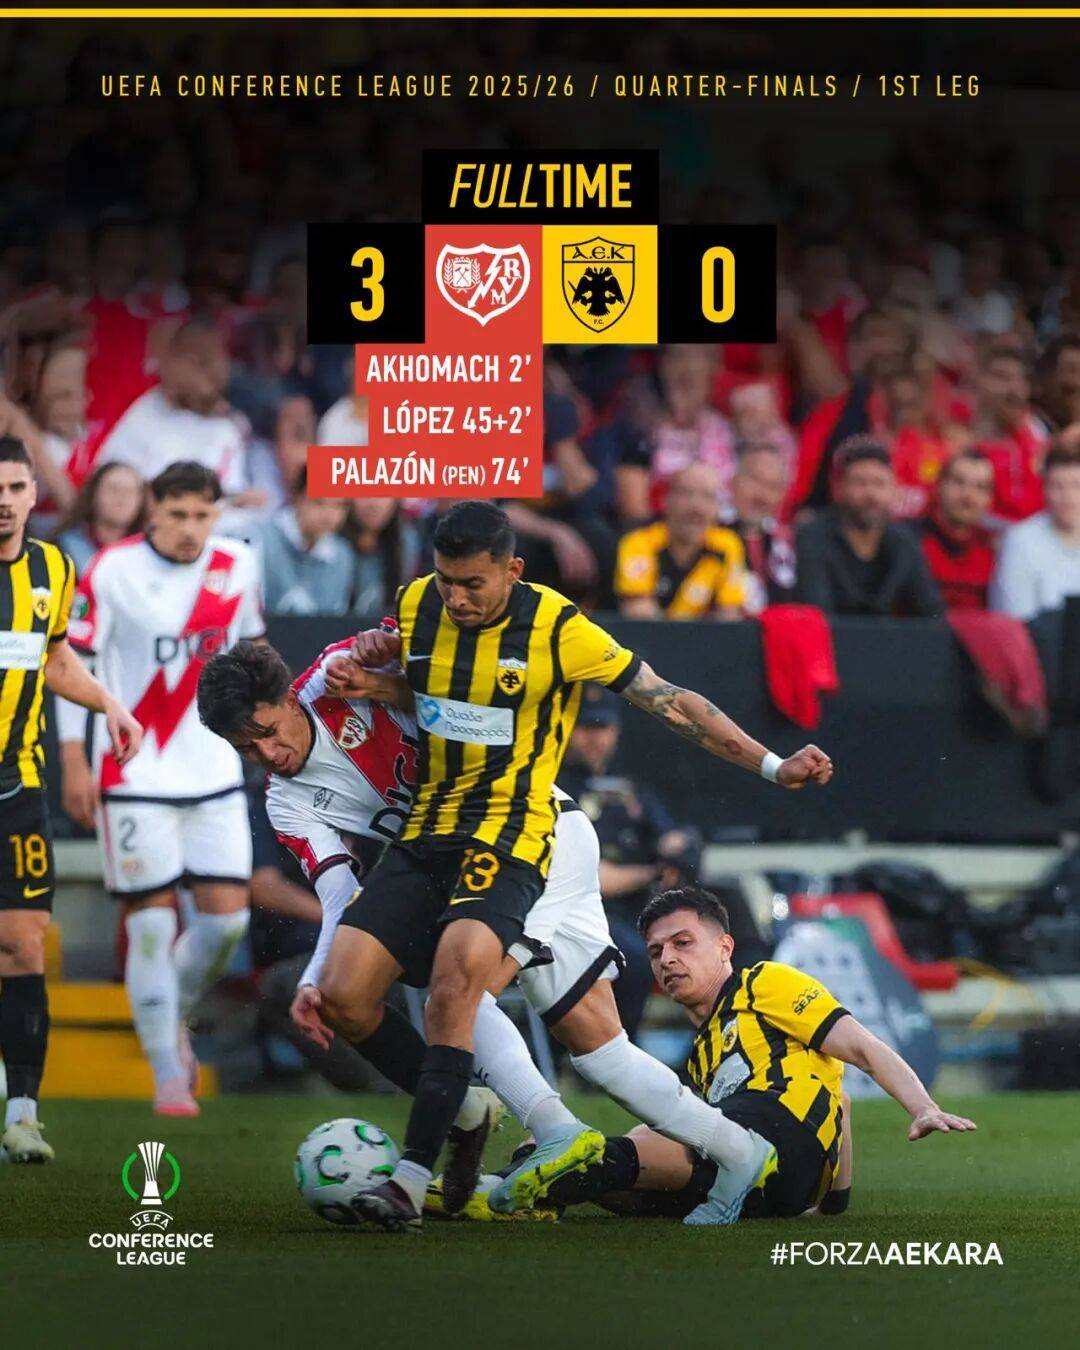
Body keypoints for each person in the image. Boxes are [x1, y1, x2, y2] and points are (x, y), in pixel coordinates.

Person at [316, 500, 833, 1232]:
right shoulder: (416, 606)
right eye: (445, 581)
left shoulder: (558, 627)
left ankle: (415, 1173)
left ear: (513, 571)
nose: (455, 598)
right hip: (429, 829)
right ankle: (727, 1150)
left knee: (457, 988)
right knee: (357, 998)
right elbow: (438, 695)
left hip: (519, 835)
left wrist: (773, 765)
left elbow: (672, 704)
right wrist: (374, 684)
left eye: (472, 584)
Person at [197, 634, 813, 1228]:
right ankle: (740, 1153)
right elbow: (340, 898)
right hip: (489, 863)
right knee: (601, 1052)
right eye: (245, 748)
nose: (267, 754)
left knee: (455, 990)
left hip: (536, 835)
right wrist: (315, 976)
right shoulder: (284, 800)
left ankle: (546, 1131)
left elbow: (455, 682)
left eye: (268, 732)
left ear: (288, 697)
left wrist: (390, 666)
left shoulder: (343, 675)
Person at [543, 887, 976, 1225]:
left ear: (725, 948)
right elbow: (839, 1102)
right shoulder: (702, 1054)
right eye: (656, 952)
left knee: (622, 1149)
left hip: (777, 1143)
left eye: (682, 943)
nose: (668, 959)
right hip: (774, 1189)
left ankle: (535, 1173)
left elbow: (863, 1047)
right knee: (617, 1185)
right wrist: (833, 1201)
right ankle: (546, 1167)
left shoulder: (764, 983)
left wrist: (922, 1107)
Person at [55, 461, 264, 1117]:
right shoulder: (111, 570)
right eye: (177, 514)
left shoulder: (237, 564)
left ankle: (171, 1011)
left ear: (217, 514)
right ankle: (167, 1075)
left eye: (202, 515)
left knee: (226, 925)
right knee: (150, 926)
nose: (189, 528)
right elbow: (73, 665)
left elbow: (250, 657)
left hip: (214, 772)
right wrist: (74, 762)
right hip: (133, 771)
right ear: (153, 509)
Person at [0, 435, 142, 1163]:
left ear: (34, 494)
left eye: (15, 488)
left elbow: (54, 656)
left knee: (24, 944)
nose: (3, 502)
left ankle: (22, 1115)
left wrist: (109, 703)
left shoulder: (54, 568)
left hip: (17, 787)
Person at [557, 687, 690, 1043]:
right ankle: (616, 1050)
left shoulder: (631, 788)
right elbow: (590, 878)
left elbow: (672, 838)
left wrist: (679, 851)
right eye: (585, 728)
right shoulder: (554, 788)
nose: (595, 739)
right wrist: (652, 872)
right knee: (632, 956)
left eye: (603, 728)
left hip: (640, 910)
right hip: (580, 914)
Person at [796, 438, 943, 617]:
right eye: (860, 483)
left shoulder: (904, 542)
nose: (871, 495)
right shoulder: (813, 536)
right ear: (838, 488)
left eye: (879, 484)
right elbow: (816, 613)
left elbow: (931, 613)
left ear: (894, 490)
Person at [614, 463, 746, 620]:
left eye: (708, 497)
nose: (697, 507)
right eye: (687, 493)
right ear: (666, 499)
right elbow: (638, 612)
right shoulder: (638, 542)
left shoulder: (727, 545)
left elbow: (729, 614)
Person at [990, 444, 1080, 620]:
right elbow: (1015, 617)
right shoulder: (1020, 541)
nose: (1068, 497)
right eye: (1057, 486)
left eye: (1076, 486)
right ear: (1044, 489)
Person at [257, 468, 359, 615]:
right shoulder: (261, 539)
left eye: (339, 505)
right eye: (319, 502)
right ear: (297, 497)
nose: (329, 515)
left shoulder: (343, 555)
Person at [915, 451, 997, 610]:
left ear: (990, 498)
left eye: (980, 487)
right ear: (939, 485)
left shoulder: (995, 550)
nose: (968, 495)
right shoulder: (909, 541)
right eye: (959, 482)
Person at [722, 443, 797, 613]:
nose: (762, 495)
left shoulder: (791, 542)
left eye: (773, 486)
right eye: (755, 480)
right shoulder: (706, 533)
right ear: (733, 481)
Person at [55, 460, 146, 576]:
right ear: (94, 494)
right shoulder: (62, 547)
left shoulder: (147, 553)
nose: (122, 498)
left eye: (131, 491)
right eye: (114, 489)